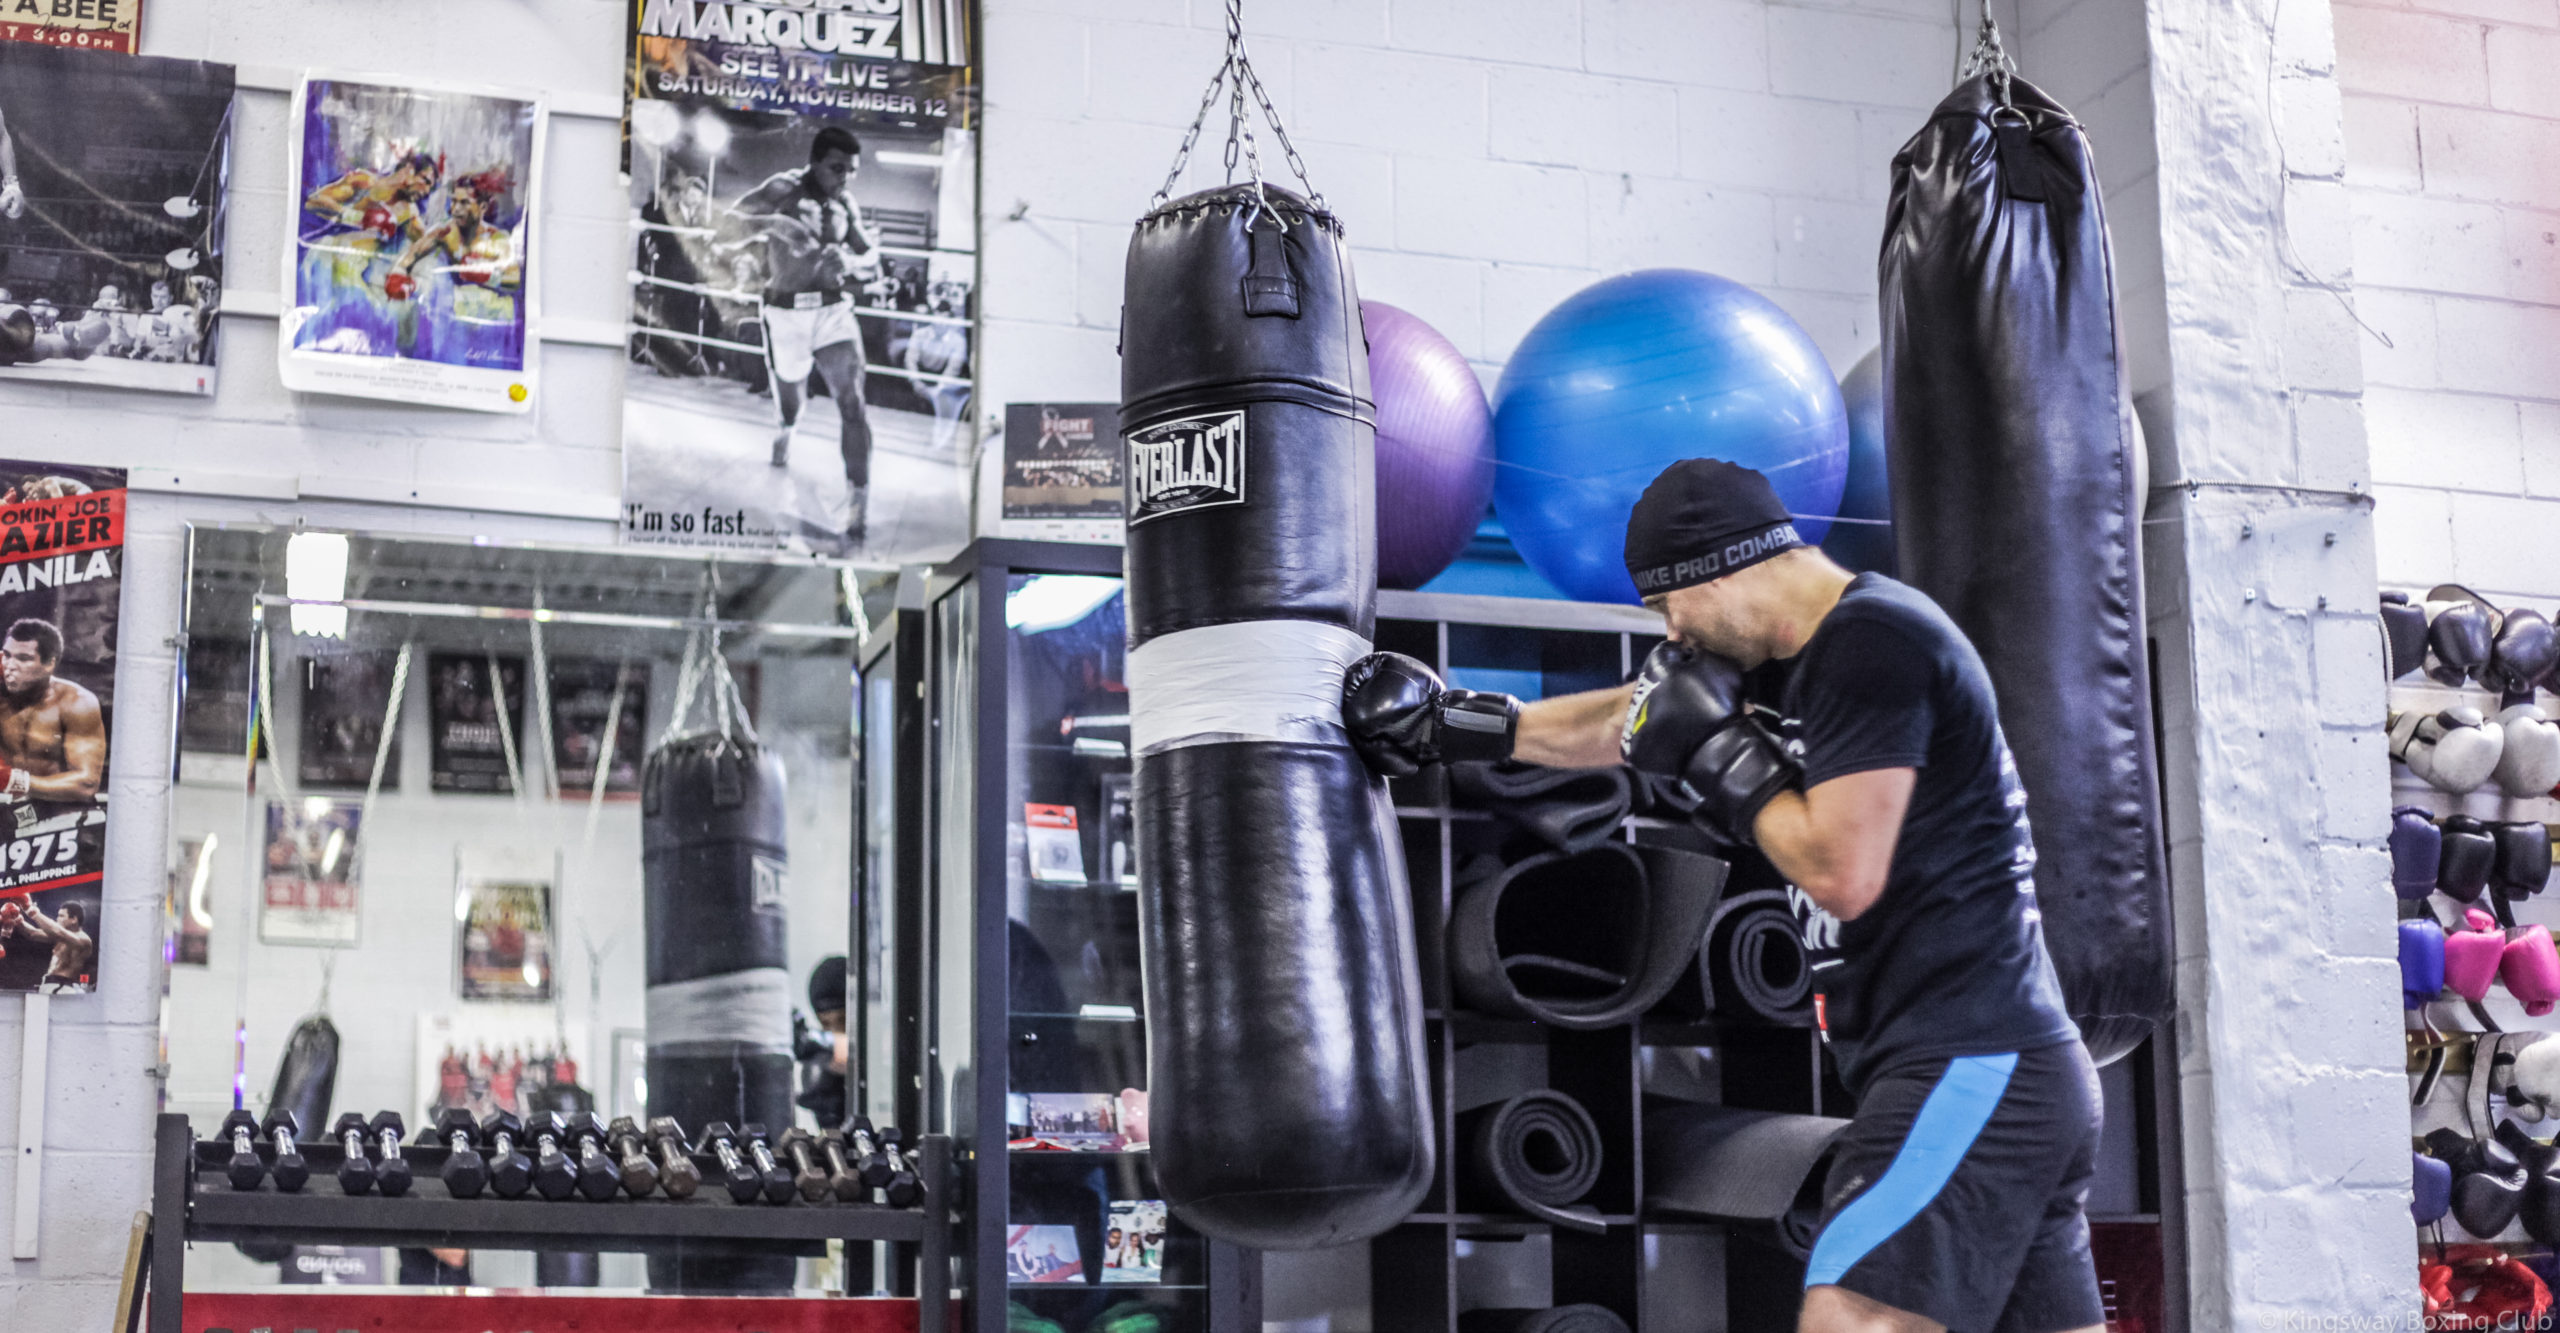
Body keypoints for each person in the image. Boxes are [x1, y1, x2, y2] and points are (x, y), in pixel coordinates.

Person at [1342, 458, 2103, 1333]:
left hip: (1970, 1060)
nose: (1673, 633)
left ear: (1725, 569)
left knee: (1851, 1317)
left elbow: (1842, 873)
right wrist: (1458, 725)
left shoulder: (1875, 644)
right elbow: (1625, 720)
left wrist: (1725, 762)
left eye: (1670, 605)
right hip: (2009, 1073)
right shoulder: (1779, 658)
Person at [726, 126, 879, 547]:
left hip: (832, 310)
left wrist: (850, 258)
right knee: (791, 401)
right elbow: (727, 224)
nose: (844, 178)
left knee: (852, 401)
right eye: (836, 169)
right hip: (785, 313)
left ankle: (858, 499)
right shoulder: (783, 189)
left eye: (851, 171)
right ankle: (786, 428)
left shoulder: (845, 203)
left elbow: (870, 254)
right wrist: (776, 224)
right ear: (814, 162)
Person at [0, 618, 106, 815]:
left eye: (23, 658)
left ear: (49, 664)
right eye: (6, 655)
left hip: (57, 816)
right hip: (4, 811)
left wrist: (14, 780)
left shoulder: (75, 702)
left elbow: (86, 783)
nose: (10, 666)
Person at [11, 898, 92, 991]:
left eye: (61, 916)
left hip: (62, 986)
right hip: (50, 983)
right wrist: (17, 919)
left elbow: (56, 930)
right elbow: (32, 934)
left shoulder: (83, 940)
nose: (57, 919)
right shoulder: (61, 938)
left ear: (74, 919)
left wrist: (30, 909)